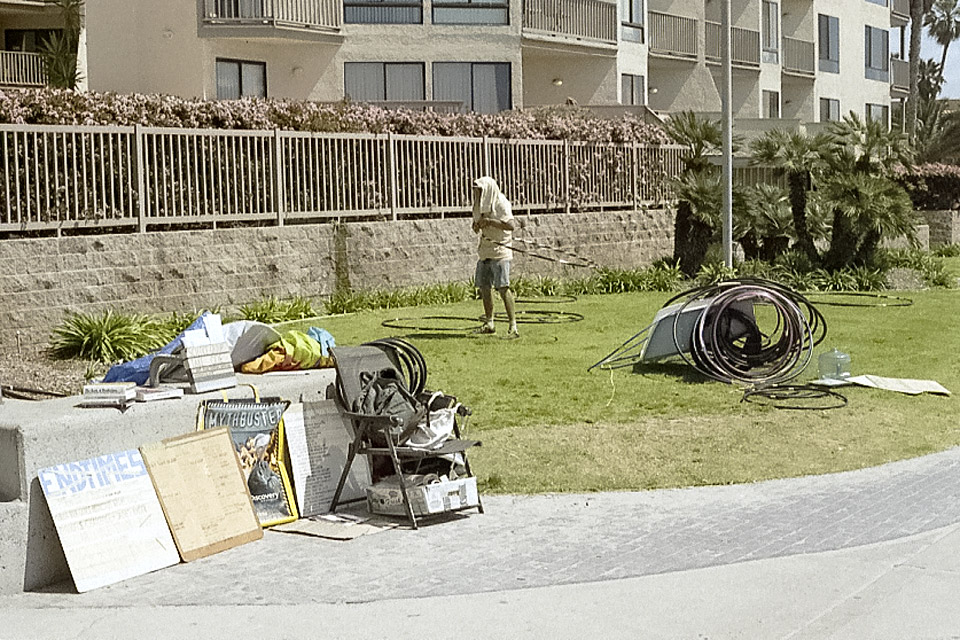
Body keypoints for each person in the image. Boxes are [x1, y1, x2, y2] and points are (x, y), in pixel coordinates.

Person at [471, 176, 519, 339]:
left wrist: (491, 222)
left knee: (503, 287)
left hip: (500, 250)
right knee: (485, 287)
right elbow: (477, 223)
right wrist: (477, 225)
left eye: (479, 191)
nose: (477, 194)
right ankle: (489, 323)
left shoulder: (501, 203)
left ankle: (513, 326)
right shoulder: (479, 205)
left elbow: (511, 225)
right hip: (485, 250)